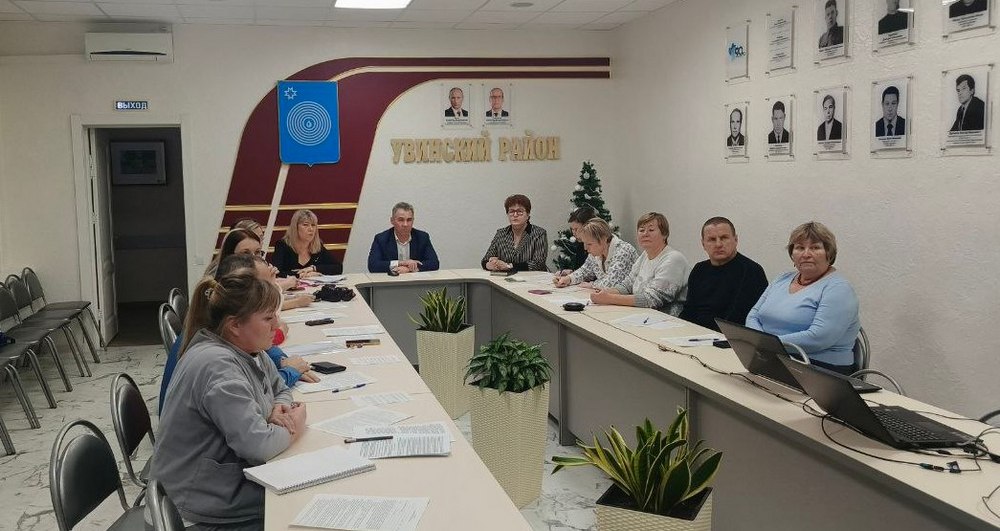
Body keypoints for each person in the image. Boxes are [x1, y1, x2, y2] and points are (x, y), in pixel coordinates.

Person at [150, 270, 307, 529]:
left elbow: (279, 387)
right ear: (234, 325)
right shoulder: (218, 366)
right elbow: (258, 447)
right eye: (268, 318)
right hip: (194, 510)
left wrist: (279, 408)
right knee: (301, 506)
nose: (277, 325)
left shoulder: (251, 350)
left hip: (219, 485)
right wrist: (295, 425)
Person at [159, 254, 319, 414]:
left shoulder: (232, 334)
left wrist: (282, 364)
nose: (273, 284)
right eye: (262, 285)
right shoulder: (218, 361)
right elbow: (254, 404)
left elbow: (271, 384)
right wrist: (289, 421)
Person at [746, 221, 860, 375]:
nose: (806, 254)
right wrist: (762, 343)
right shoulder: (782, 279)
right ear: (792, 254)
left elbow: (818, 338)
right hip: (771, 356)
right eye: (800, 248)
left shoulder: (839, 289)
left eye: (815, 248)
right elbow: (753, 315)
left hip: (820, 369)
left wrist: (766, 344)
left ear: (829, 253)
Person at [591, 212, 689, 316]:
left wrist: (610, 298)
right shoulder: (645, 255)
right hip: (641, 314)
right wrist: (606, 292)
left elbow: (653, 299)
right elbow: (628, 285)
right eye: (641, 230)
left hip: (667, 319)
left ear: (664, 234)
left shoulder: (673, 259)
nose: (645, 234)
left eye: (651, 230)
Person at [679, 217, 768, 331]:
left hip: (729, 337)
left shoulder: (751, 271)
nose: (718, 244)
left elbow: (739, 320)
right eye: (712, 239)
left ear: (736, 240)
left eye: (724, 238)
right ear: (703, 244)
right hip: (694, 334)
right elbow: (688, 311)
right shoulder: (699, 269)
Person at [553, 218, 638, 291]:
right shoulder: (596, 252)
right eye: (584, 243)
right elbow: (584, 271)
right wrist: (568, 279)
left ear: (603, 239)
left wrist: (592, 285)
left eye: (589, 244)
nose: (585, 248)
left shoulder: (624, 251)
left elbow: (612, 284)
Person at [368, 202, 440, 273]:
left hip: (415, 280)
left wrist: (409, 269)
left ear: (413, 221)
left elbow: (434, 263)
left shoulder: (422, 237)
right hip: (391, 280)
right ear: (392, 221)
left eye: (409, 220)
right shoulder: (381, 239)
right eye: (401, 220)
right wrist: (402, 263)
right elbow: (373, 265)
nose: (405, 224)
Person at [482, 194, 548, 272]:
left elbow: (539, 263)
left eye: (520, 211)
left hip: (532, 278)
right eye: (511, 211)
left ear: (528, 214)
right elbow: (485, 260)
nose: (515, 215)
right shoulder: (501, 233)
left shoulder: (539, 233)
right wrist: (490, 265)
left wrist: (509, 266)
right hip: (506, 278)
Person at [271, 209, 343, 278]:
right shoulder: (282, 245)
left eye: (313, 225)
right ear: (295, 227)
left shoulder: (317, 246)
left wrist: (314, 269)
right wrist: (301, 275)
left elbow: (338, 268)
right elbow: (276, 273)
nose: (311, 229)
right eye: (305, 225)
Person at [555, 205, 599, 277]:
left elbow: (599, 276)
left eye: (576, 229)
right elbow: (583, 270)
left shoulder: (597, 246)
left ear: (588, 227)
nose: (573, 233)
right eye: (572, 229)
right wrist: (571, 272)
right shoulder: (580, 244)